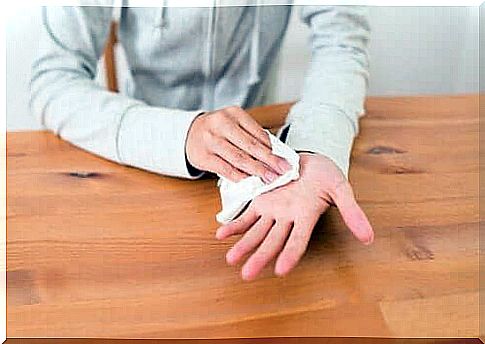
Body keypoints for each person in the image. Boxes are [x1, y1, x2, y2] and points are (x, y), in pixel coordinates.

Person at [30, 2, 374, 281]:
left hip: (266, 169)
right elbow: (53, 79)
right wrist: (180, 135)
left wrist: (314, 144)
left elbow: (342, 41)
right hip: (142, 167)